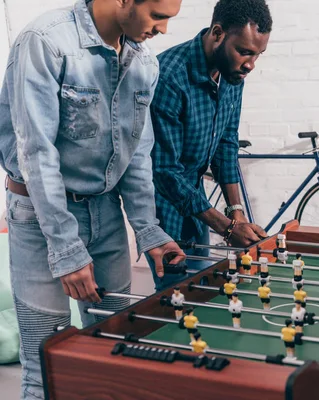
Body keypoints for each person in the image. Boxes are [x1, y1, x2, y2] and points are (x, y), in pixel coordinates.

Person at [0, 0, 185, 398]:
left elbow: (136, 153)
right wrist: (66, 249)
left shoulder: (142, 61)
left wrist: (148, 229)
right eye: (158, 16)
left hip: (105, 213)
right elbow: (36, 152)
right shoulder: (46, 42)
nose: (163, 30)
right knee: (46, 365)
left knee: (114, 352)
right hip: (39, 217)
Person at [147, 0, 272, 291]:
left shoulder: (233, 74)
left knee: (202, 287)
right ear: (217, 33)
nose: (251, 64)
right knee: (176, 297)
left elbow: (226, 143)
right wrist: (228, 228)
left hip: (194, 197)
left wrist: (236, 212)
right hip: (161, 203)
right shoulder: (168, 77)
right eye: (244, 51)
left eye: (258, 54)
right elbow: (165, 171)